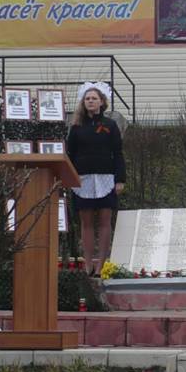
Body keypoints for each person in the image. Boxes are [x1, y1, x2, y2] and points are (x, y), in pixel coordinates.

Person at [66, 81, 126, 276]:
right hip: (82, 180)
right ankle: (88, 264)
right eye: (87, 98)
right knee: (86, 223)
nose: (90, 101)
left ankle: (101, 264)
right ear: (83, 102)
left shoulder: (110, 125)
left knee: (104, 221)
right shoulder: (76, 127)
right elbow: (70, 154)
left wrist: (120, 179)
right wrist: (70, 178)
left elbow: (118, 153)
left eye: (94, 98)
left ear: (102, 102)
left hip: (106, 179)